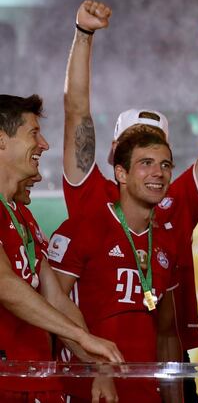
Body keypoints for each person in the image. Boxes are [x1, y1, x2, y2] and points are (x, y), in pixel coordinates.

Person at [63, 0, 198, 391]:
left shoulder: (176, 200)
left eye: (160, 154)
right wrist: (84, 35)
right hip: (91, 380)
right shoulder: (90, 193)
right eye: (139, 151)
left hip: (159, 377)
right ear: (117, 160)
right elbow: (76, 113)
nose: (154, 169)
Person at [0, 94, 123, 402]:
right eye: (33, 133)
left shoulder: (23, 215)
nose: (44, 144)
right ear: (1, 140)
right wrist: (81, 337)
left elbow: (55, 297)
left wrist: (95, 363)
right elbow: (4, 284)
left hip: (36, 380)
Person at [49, 128, 182, 403]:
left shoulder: (167, 242)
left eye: (165, 165)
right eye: (146, 163)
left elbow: (167, 333)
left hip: (144, 395)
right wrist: (98, 366)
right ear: (121, 174)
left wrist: (174, 398)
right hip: (88, 391)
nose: (158, 172)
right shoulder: (83, 228)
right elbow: (50, 309)